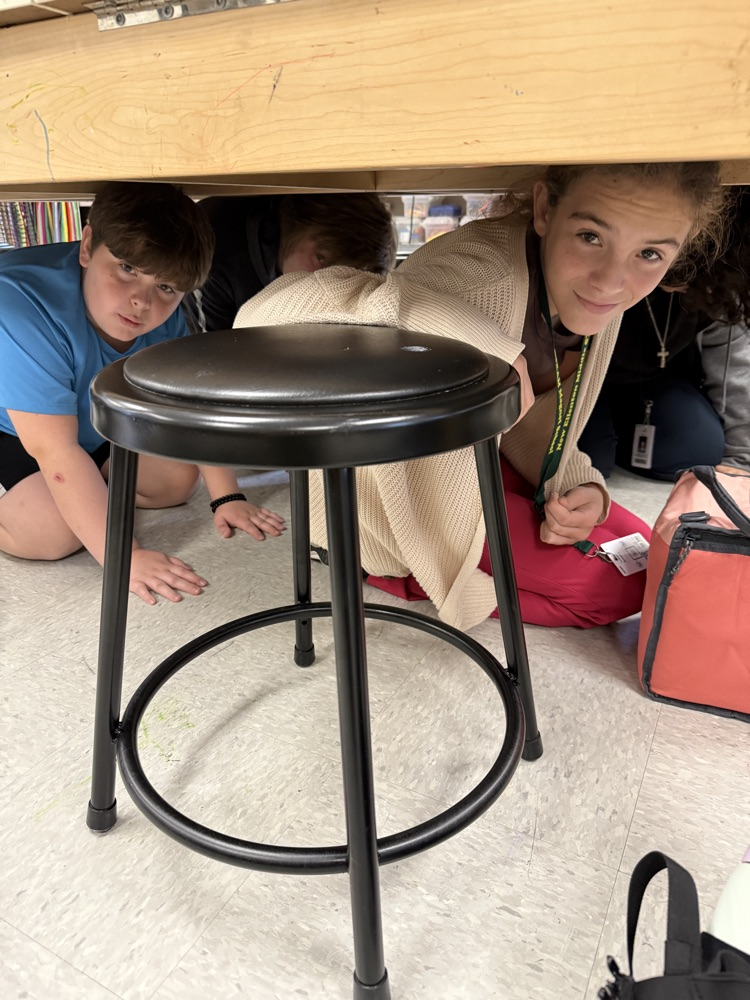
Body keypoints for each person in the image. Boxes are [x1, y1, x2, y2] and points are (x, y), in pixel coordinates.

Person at [233, 163, 727, 630]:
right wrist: (475, 338)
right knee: (620, 589)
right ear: (544, 209)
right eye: (590, 236)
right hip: (396, 489)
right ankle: (387, 568)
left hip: (476, 456)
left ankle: (489, 547)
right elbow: (264, 314)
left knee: (651, 549)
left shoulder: (597, 294)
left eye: (650, 254)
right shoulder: (477, 272)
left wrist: (583, 487)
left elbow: (541, 423)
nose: (611, 281)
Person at [0, 181, 285, 606]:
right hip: (16, 430)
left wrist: (227, 496)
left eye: (166, 288)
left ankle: (82, 491)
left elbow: (190, 402)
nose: (141, 301)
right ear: (88, 245)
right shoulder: (20, 303)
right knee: (53, 532)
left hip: (88, 427)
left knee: (175, 479)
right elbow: (54, 450)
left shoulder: (165, 315)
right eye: (128, 268)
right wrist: (125, 556)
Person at [578, 185, 750, 479]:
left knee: (699, 449)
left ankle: (619, 433)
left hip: (655, 381)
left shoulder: (721, 286)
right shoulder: (615, 275)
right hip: (583, 373)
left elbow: (733, 367)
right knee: (586, 465)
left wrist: (742, 461)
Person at [183, 193, 397, 333]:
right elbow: (212, 361)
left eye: (346, 272)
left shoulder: (373, 255)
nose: (329, 281)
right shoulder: (218, 255)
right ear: (293, 228)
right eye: (321, 259)